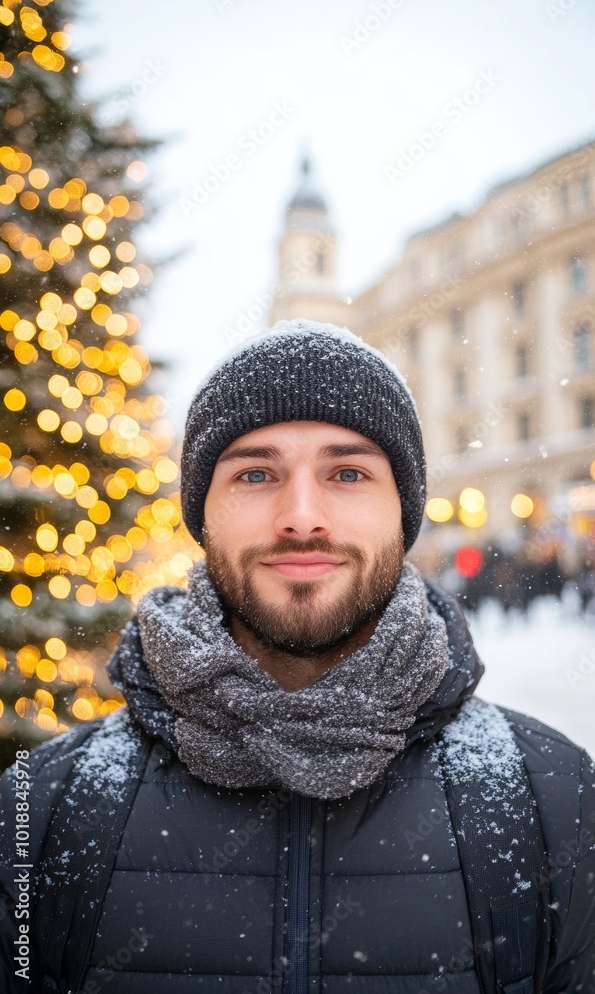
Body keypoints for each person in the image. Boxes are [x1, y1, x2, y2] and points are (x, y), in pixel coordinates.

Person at [1, 319, 594, 993]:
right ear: (202, 515)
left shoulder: (551, 801)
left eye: (347, 472)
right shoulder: (44, 810)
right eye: (255, 473)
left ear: (402, 512)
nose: (302, 516)